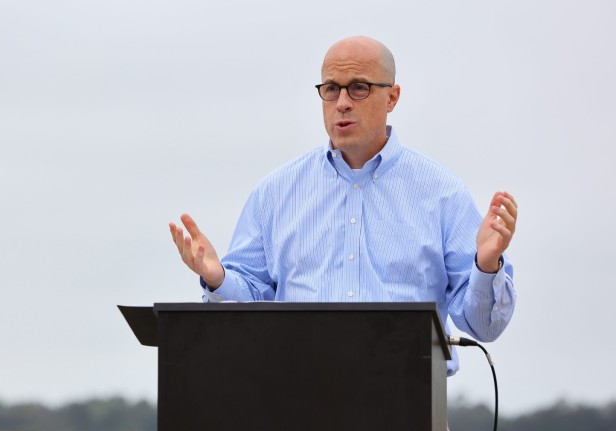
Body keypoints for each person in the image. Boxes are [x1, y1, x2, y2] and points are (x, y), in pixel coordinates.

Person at [169, 35, 517, 376]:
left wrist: (486, 266)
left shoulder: (442, 194)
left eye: (359, 88)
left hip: (406, 405)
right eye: (332, 88)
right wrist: (218, 279)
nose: (343, 102)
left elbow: (484, 328)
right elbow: (249, 308)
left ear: (392, 97)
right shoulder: (275, 193)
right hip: (295, 403)